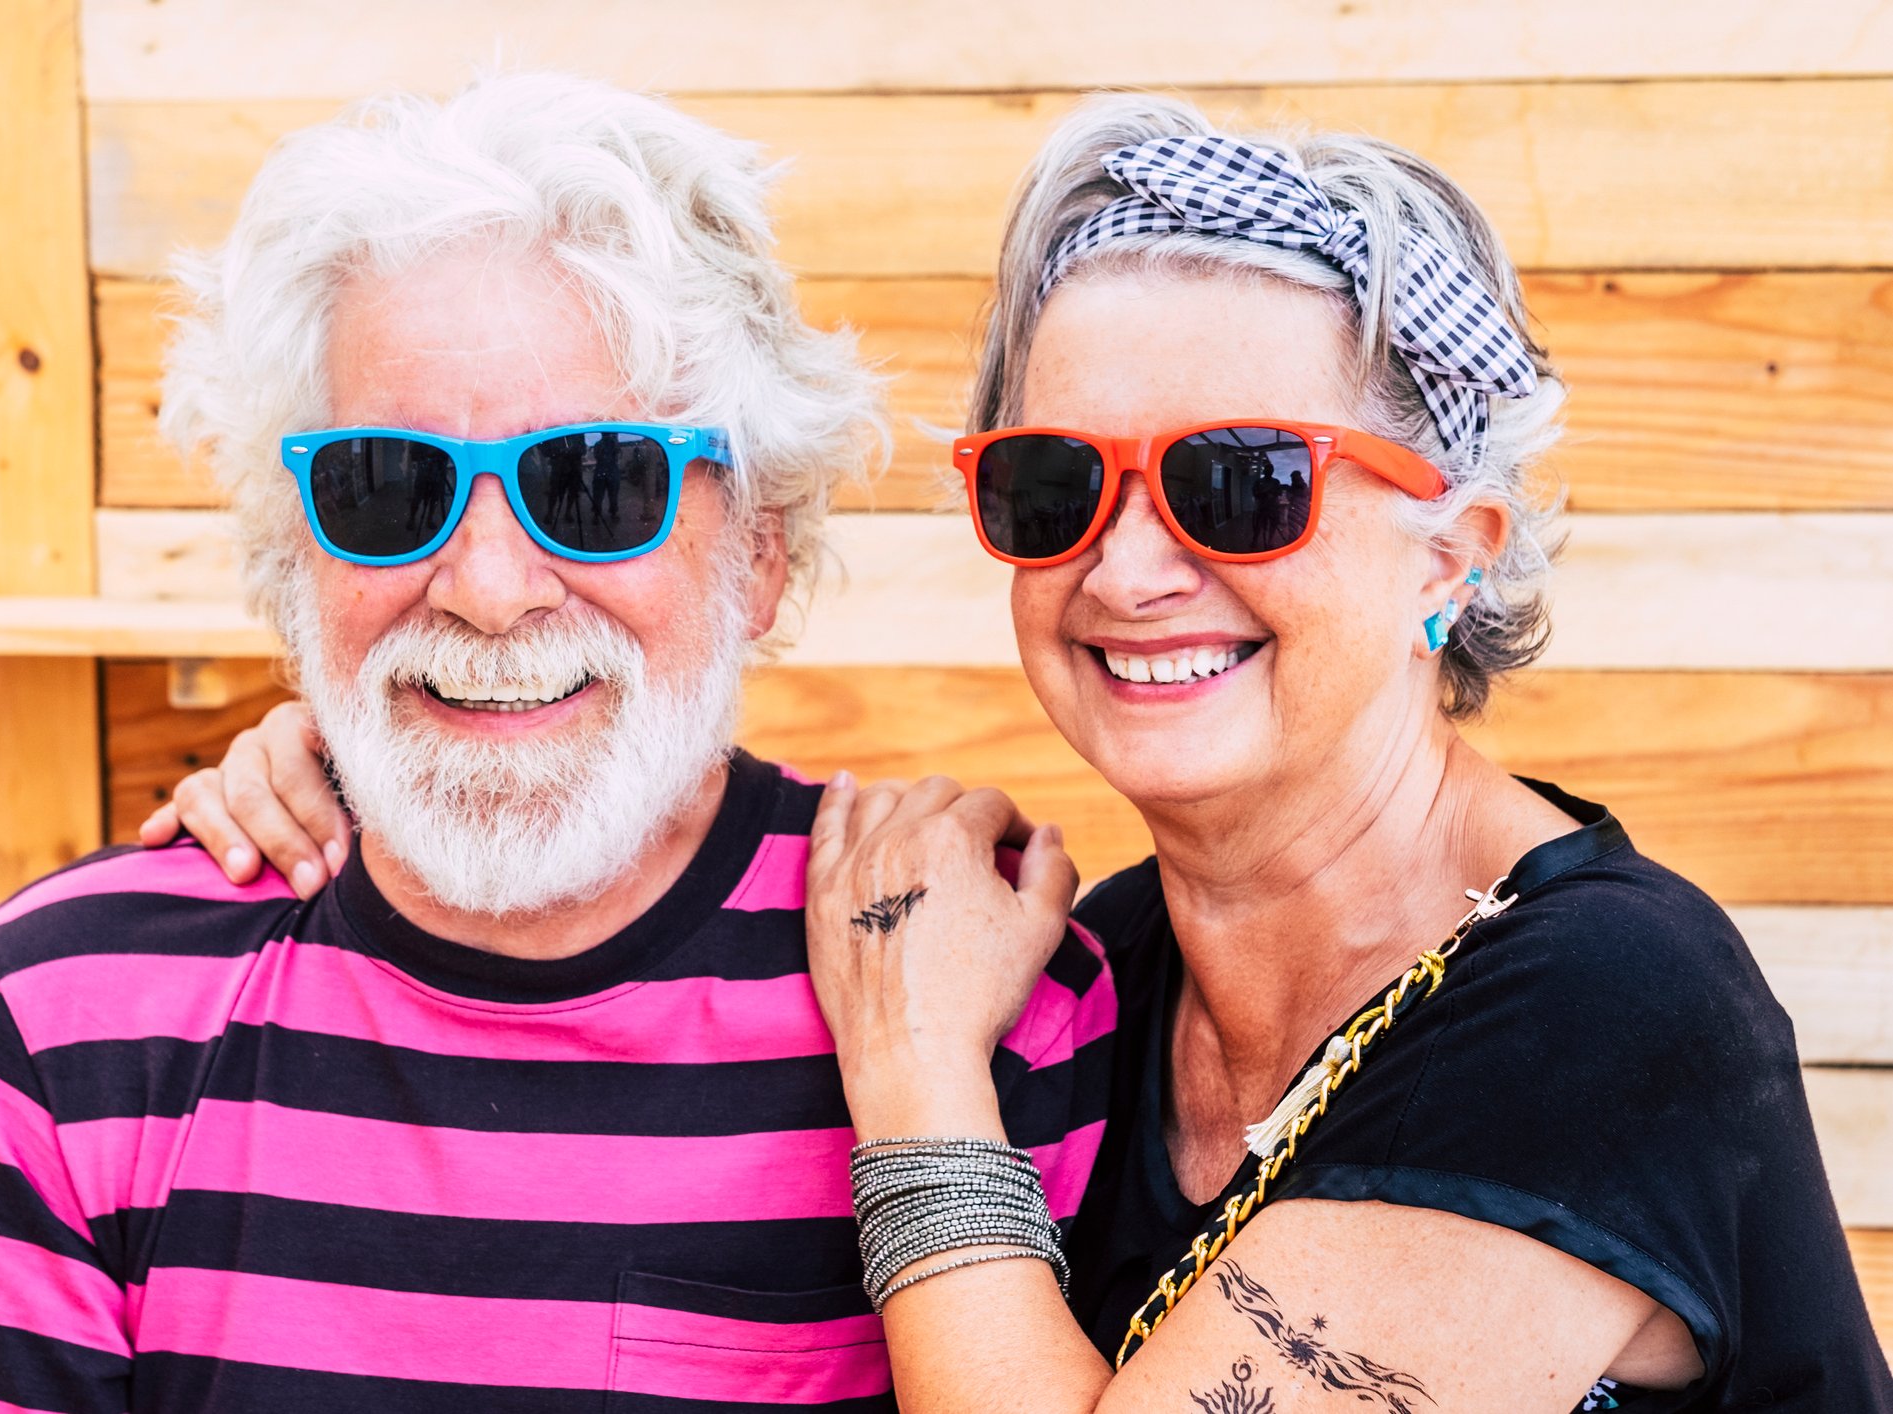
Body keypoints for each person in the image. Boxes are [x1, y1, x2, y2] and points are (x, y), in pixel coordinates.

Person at [180, 97, 1893, 1411]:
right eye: (1054, 486)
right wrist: (405, 747)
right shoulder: (1107, 969)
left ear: (1451, 549)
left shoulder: (1599, 1003)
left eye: (1238, 481)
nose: (1129, 567)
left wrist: (917, 1074)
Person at [0, 73, 1114, 1414]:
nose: (488, 588)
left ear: (761, 554)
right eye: (389, 486)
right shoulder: (75, 1003)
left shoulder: (978, 998)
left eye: (593, 484)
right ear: (292, 555)